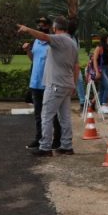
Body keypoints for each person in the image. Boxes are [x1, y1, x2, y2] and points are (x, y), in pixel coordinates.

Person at [19, 16, 80, 157]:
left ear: (55, 27)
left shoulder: (60, 39)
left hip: (55, 84)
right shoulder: (72, 42)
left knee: (46, 115)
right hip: (66, 84)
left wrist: (27, 29)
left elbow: (43, 36)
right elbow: (76, 67)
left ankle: (45, 147)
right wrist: (74, 84)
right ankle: (66, 145)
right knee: (65, 117)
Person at [24, 17, 61, 151]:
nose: (41, 26)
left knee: (53, 114)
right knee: (38, 114)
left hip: (49, 82)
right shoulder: (36, 42)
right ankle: (39, 138)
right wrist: (28, 50)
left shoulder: (52, 41)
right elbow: (33, 59)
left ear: (49, 26)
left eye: (44, 25)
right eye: (39, 25)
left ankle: (57, 139)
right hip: (36, 82)